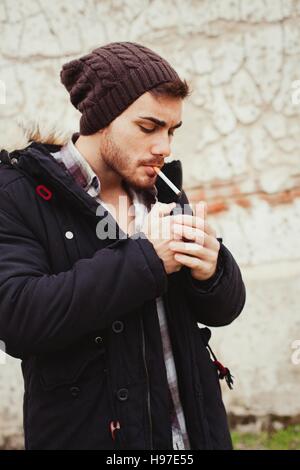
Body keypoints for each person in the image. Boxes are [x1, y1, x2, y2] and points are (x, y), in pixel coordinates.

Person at [0, 42, 246, 450]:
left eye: (171, 131)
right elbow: (17, 318)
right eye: (149, 128)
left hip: (194, 435)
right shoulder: (19, 194)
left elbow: (226, 308)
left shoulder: (162, 189)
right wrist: (147, 258)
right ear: (100, 119)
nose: (164, 147)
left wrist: (212, 272)